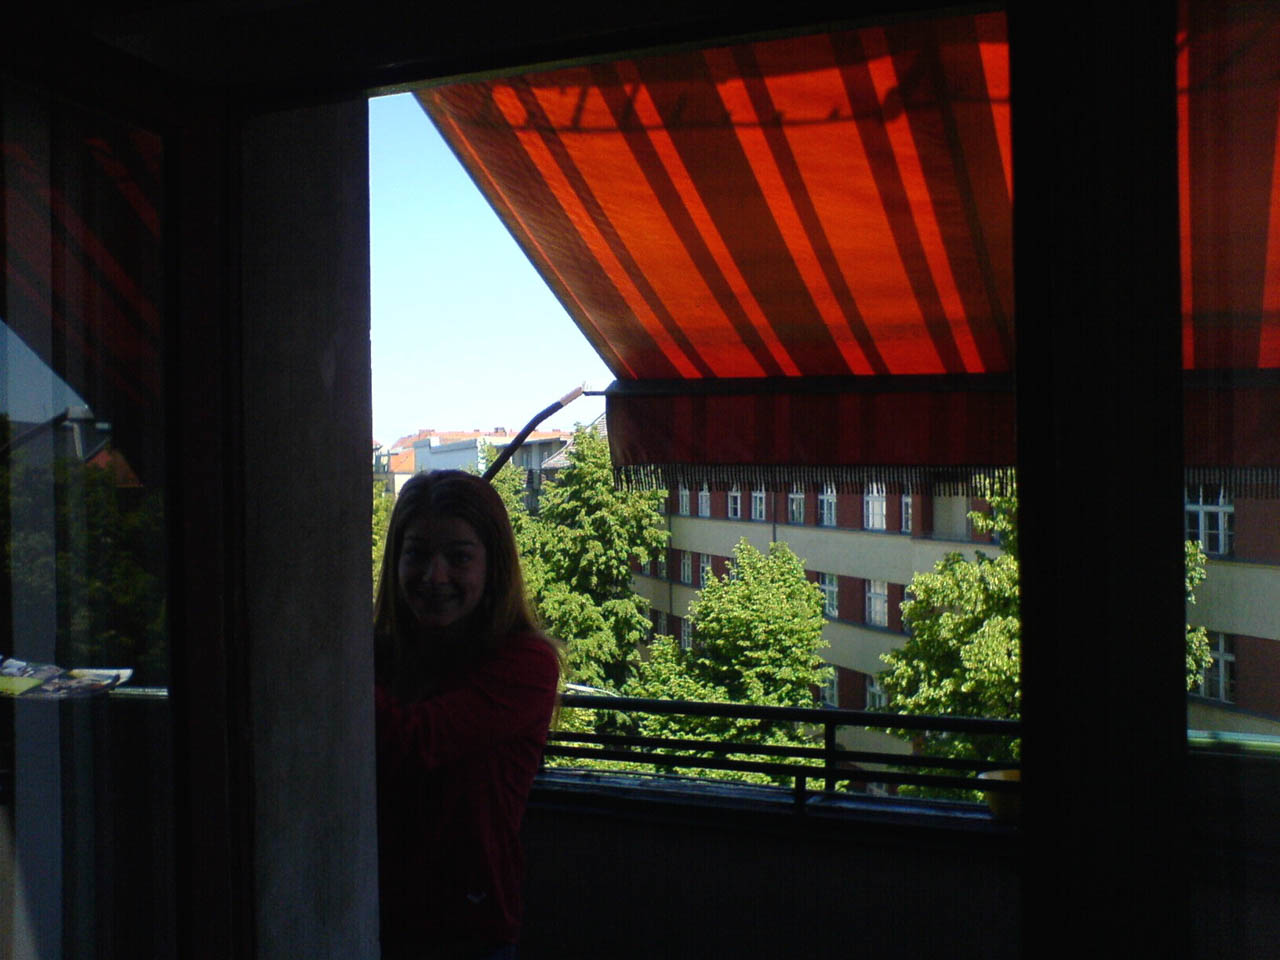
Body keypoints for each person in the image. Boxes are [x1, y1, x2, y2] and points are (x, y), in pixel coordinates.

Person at [374, 470, 560, 960]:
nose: (434, 576)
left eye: (458, 557)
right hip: (378, 914)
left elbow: (414, 741)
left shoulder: (527, 664)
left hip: (466, 931)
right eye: (417, 554)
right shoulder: (382, 655)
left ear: (493, 566)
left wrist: (332, 657)